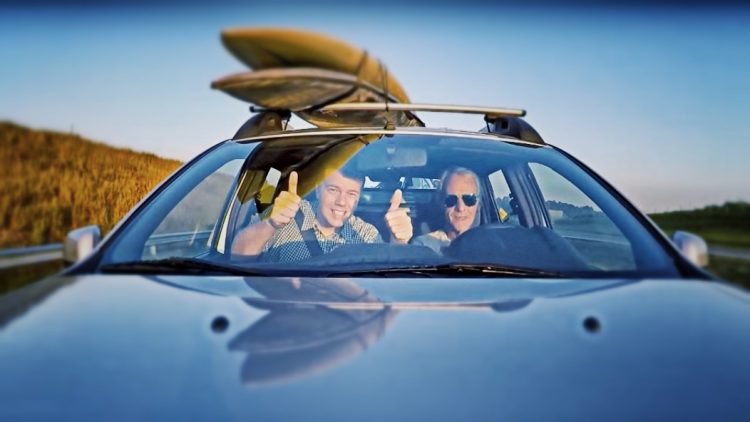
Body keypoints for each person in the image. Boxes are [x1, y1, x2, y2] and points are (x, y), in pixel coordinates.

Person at [231, 167, 413, 262]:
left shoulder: (366, 234)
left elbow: (385, 279)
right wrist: (270, 225)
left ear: (358, 198)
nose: (341, 202)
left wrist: (399, 242)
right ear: (318, 190)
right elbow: (238, 256)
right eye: (333, 190)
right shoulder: (284, 215)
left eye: (351, 194)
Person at [411, 167, 480, 253]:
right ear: (441, 203)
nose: (460, 208)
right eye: (451, 199)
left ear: (478, 205)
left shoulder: (490, 243)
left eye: (469, 199)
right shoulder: (424, 246)